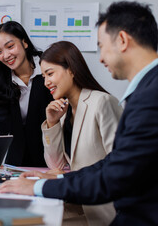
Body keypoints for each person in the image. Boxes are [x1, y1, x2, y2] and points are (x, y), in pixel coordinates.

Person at [0, 1, 158, 225]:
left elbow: (117, 173)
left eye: (102, 46)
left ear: (122, 40)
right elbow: (110, 163)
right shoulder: (143, 92)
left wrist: (39, 186)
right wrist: (55, 173)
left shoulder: (144, 97)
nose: (100, 58)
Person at [40, 41, 122, 225]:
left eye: (50, 73)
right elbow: (57, 165)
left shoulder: (102, 102)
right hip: (77, 203)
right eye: (43, 76)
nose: (46, 82)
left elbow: (119, 165)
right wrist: (52, 123)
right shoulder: (63, 113)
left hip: (104, 210)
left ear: (71, 69)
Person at [0, 21, 53, 167]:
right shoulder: (0, 80)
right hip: (17, 162)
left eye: (10, 46)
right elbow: (3, 120)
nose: (6, 55)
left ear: (24, 43)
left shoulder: (48, 70)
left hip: (52, 158)